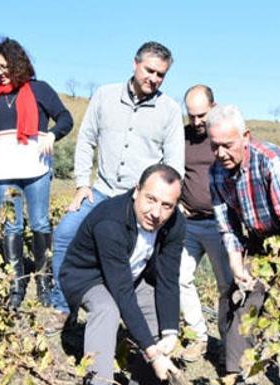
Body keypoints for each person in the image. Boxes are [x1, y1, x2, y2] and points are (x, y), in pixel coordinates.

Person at [48, 41, 185, 321]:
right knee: (64, 233)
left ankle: (133, 313)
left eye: (161, 75)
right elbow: (86, 139)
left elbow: (173, 164)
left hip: (137, 200)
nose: (154, 78)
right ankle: (63, 306)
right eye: (149, 70)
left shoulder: (170, 110)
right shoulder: (104, 96)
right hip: (100, 190)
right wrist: (81, 183)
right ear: (135, 64)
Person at [60, 164, 184, 385]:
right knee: (107, 309)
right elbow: (121, 292)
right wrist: (153, 353)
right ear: (136, 192)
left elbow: (168, 279)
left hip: (130, 273)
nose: (156, 212)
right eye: (150, 199)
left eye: (166, 205)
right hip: (88, 275)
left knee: (154, 306)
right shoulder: (111, 222)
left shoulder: (175, 223)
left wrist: (170, 332)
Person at [207, 104, 280, 376]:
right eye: (214, 146)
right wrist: (237, 264)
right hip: (259, 241)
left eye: (227, 145)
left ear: (246, 137)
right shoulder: (216, 172)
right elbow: (228, 228)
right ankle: (238, 376)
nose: (221, 153)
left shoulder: (273, 162)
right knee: (243, 305)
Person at [0, 38, 73, 308]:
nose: (0, 72)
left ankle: (43, 280)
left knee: (40, 223)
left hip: (36, 167)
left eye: (4, 66)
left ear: (17, 63)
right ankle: (16, 284)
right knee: (11, 225)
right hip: (5, 171)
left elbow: (66, 118)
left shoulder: (40, 89)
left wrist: (52, 134)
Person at [176, 85, 233, 362]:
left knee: (227, 285)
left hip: (220, 225)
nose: (197, 122)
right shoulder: (181, 137)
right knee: (180, 278)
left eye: (202, 115)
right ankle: (198, 336)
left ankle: (227, 343)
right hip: (188, 223)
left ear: (214, 107)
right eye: (192, 116)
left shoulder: (224, 137)